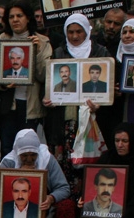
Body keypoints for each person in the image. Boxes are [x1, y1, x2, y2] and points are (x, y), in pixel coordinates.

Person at [43, 13, 111, 197]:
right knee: (65, 164)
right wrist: (48, 99)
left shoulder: (100, 52)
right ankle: (66, 203)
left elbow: (107, 89)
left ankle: (87, 203)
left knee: (90, 164)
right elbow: (50, 84)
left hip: (91, 121)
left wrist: (100, 104)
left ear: (87, 31)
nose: (74, 36)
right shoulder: (59, 53)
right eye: (70, 32)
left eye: (79, 31)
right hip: (64, 120)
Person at [0, 0, 53, 160]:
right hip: (8, 106)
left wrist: (37, 52)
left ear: (28, 18)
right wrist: (3, 85)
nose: (15, 20)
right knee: (7, 148)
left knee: (28, 151)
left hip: (31, 105)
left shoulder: (42, 42)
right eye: (11, 16)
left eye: (19, 16)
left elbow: (44, 75)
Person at [0, 129, 71, 218]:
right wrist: (20, 174)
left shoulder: (47, 159)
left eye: (33, 155)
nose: (29, 159)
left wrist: (51, 198)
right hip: (15, 205)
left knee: (67, 206)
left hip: (44, 205)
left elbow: (64, 188)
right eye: (24, 155)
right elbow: (0, 191)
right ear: (18, 153)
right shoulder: (8, 162)